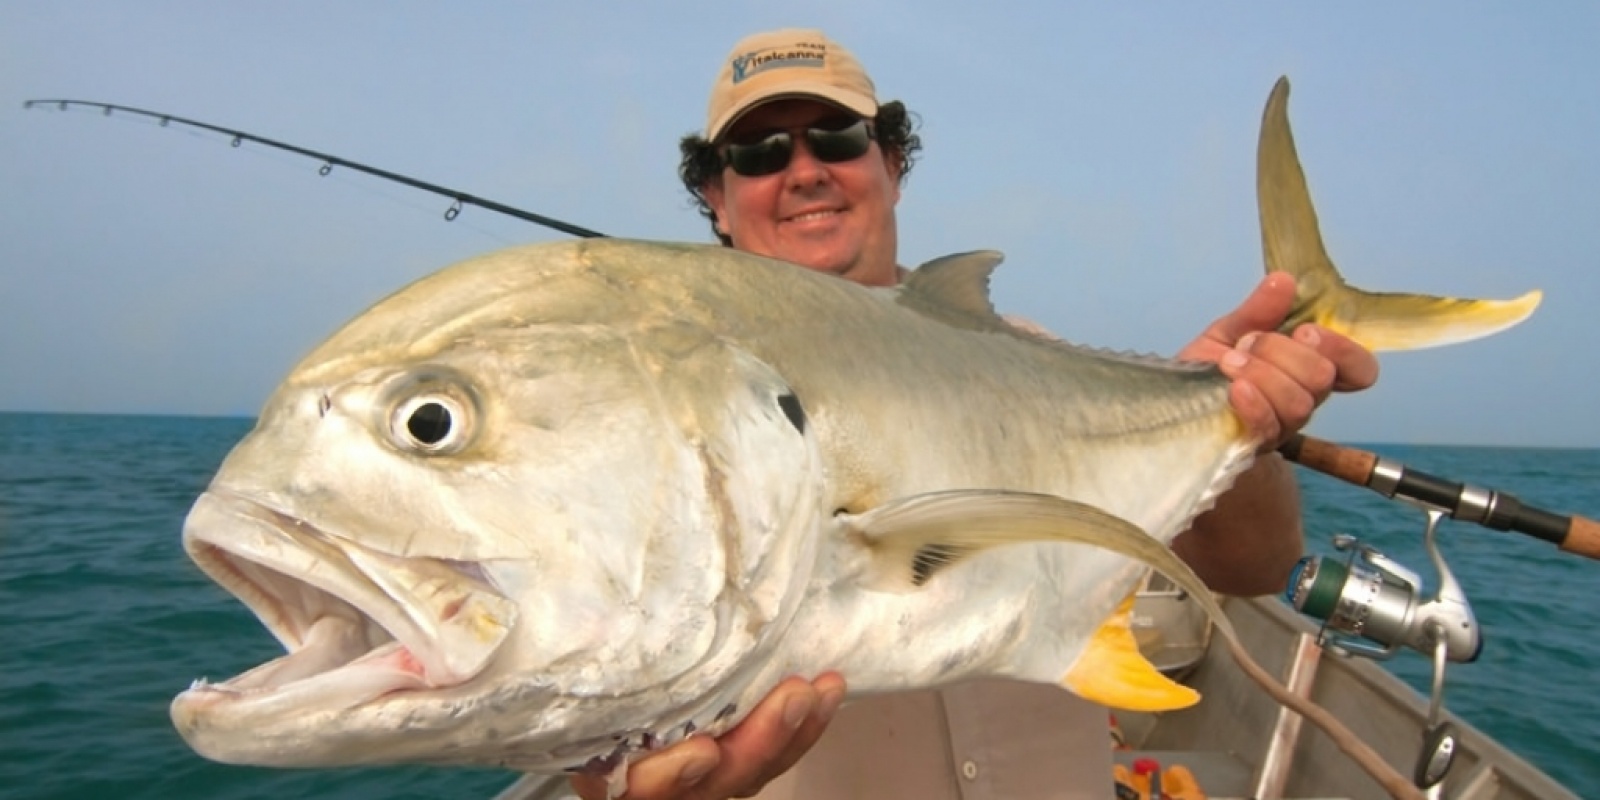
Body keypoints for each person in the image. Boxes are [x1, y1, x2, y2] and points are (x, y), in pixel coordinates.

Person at [571, 28, 1378, 800]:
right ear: (716, 197)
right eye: (759, 153)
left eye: (839, 138)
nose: (805, 169)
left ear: (890, 163)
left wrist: (1241, 423)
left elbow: (1255, 568)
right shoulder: (664, 413)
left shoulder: (1031, 362)